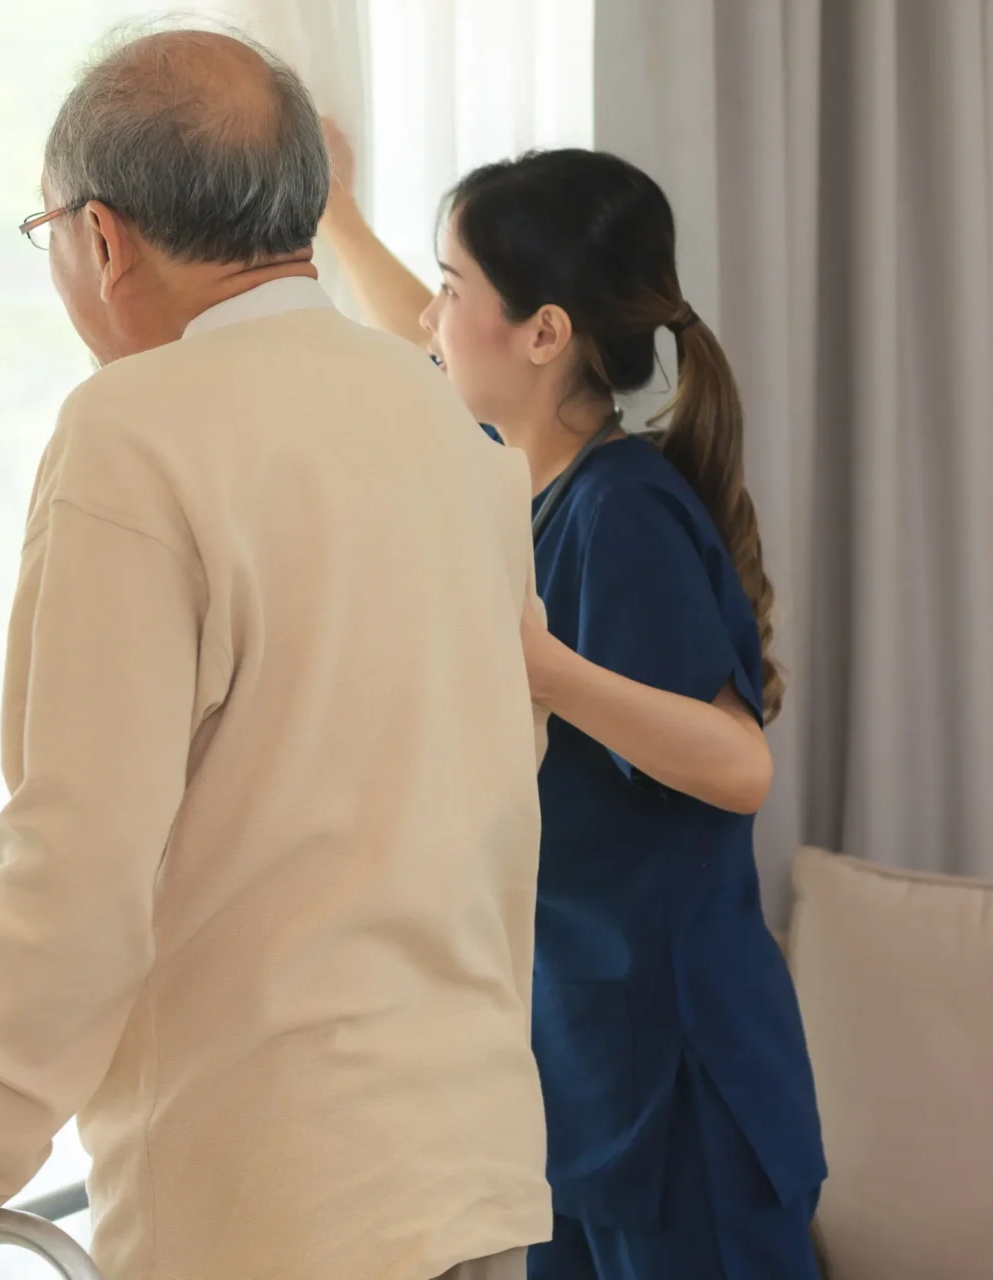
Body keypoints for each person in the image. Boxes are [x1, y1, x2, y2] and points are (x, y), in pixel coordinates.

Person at [0, 29, 552, 1280]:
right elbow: (491, 775)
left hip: (270, 1199)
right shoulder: (445, 420)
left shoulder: (134, 431)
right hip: (469, 1176)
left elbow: (80, 858)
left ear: (100, 237)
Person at [321, 126, 827, 1279]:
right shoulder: (528, 475)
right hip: (579, 1046)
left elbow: (739, 765)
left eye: (455, 291)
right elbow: (418, 326)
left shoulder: (620, 513)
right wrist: (337, 213)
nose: (430, 318)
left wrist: (545, 669)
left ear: (543, 334)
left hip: (675, 1074)